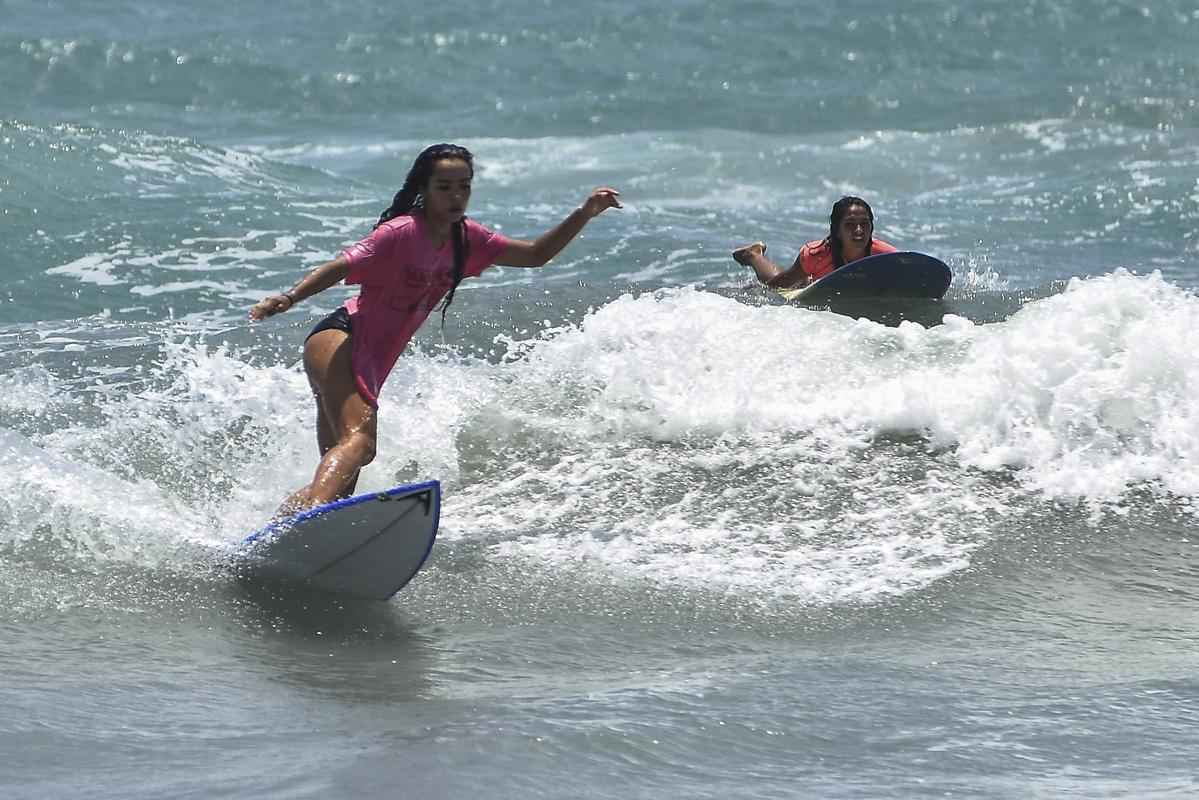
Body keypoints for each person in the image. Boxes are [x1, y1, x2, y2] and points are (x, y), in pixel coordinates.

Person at [249, 143, 621, 515]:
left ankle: (283, 525)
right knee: (361, 444)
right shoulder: (399, 232)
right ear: (423, 190)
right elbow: (341, 265)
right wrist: (289, 297)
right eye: (444, 187)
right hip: (341, 339)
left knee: (341, 482)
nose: (456, 195)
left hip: (365, 357)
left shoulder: (469, 239)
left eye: (464, 186)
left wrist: (584, 213)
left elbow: (535, 255)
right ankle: (309, 517)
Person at [732, 196, 896, 292]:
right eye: (850, 224)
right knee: (777, 284)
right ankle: (753, 255)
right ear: (837, 230)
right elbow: (778, 287)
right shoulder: (816, 255)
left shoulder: (887, 255)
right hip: (812, 280)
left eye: (864, 223)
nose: (859, 230)